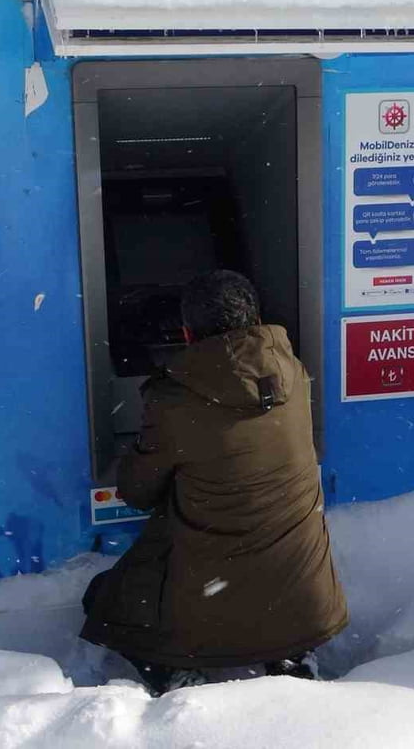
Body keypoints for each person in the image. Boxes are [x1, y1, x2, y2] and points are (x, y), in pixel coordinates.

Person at [80, 270, 348, 695]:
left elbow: (138, 492)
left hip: (210, 613)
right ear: (256, 318)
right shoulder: (295, 376)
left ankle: (175, 671)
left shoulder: (173, 400)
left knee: (102, 599)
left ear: (187, 333)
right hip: (307, 607)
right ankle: (288, 655)